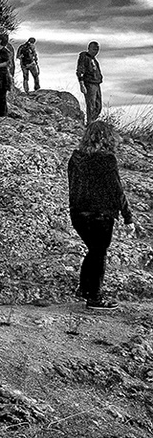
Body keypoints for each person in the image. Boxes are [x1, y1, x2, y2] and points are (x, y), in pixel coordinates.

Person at [67, 120, 137, 311]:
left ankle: (84, 289)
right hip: (100, 215)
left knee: (94, 250)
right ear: (108, 138)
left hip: (78, 214)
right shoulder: (107, 159)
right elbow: (117, 189)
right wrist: (128, 217)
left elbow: (72, 185)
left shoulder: (75, 157)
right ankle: (94, 298)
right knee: (99, 253)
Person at [76, 41, 103, 124]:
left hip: (96, 83)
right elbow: (80, 70)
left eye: (97, 49)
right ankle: (90, 123)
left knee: (98, 106)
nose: (96, 51)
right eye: (94, 49)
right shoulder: (84, 57)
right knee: (91, 105)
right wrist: (81, 84)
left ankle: (92, 121)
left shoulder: (94, 60)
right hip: (89, 83)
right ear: (89, 48)